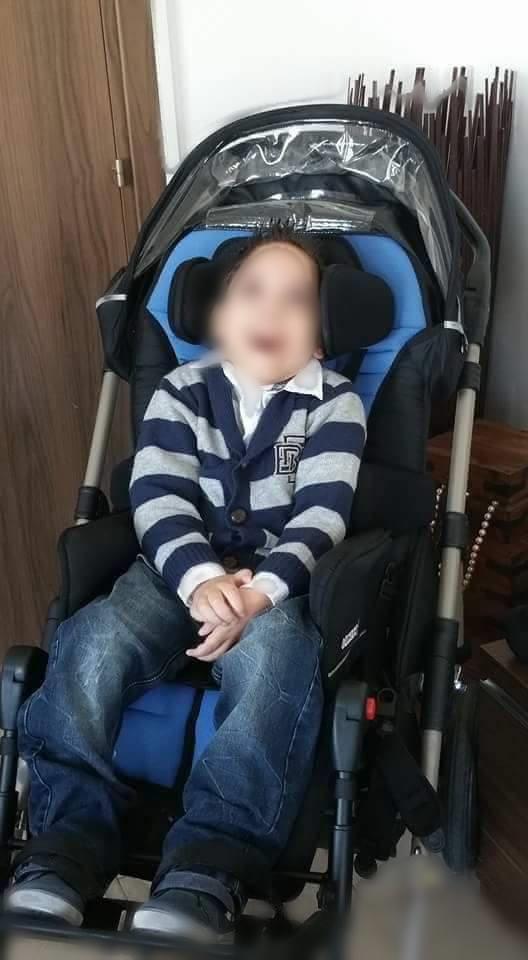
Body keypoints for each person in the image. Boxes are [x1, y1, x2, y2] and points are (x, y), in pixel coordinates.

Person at [6, 224, 366, 942]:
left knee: (276, 664)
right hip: (172, 571)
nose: (270, 312)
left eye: (296, 300)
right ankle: (65, 844)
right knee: (94, 641)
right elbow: (159, 495)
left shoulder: (334, 403)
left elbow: (322, 515)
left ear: (324, 333)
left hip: (276, 585)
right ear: (216, 316)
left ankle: (212, 861)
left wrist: (258, 594)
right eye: (251, 293)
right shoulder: (182, 391)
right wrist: (201, 579)